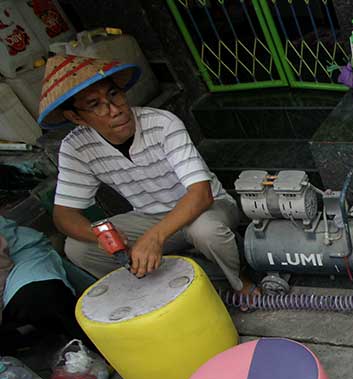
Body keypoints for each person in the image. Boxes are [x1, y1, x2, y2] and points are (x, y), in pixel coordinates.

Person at [37, 55, 254, 295]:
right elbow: (63, 215)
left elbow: (201, 195)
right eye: (95, 105)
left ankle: (240, 283)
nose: (114, 109)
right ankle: (158, 289)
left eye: (114, 94)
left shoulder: (162, 123)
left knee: (204, 231)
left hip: (206, 209)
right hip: (148, 217)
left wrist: (155, 237)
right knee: (78, 248)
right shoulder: (75, 147)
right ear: (76, 117)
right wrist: (104, 238)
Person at [0, 215, 90, 352]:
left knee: (37, 296)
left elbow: (2, 265)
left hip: (13, 257)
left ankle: (97, 348)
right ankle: (26, 336)